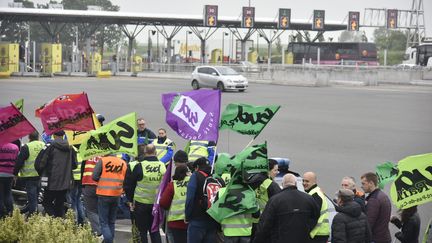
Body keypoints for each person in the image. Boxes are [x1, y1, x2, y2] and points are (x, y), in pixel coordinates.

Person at [253, 174, 320, 243]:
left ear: (282, 184)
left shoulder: (275, 200)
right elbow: (316, 216)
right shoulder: (308, 199)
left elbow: (264, 225)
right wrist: (306, 229)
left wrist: (257, 240)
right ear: (296, 184)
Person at [124, 144, 166, 243]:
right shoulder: (162, 166)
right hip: (156, 204)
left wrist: (130, 200)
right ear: (155, 152)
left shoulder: (140, 166)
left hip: (141, 203)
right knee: (154, 230)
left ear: (145, 153)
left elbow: (130, 185)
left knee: (142, 231)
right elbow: (165, 184)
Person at [35, 130, 77, 218]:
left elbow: (39, 164)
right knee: (60, 204)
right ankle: (58, 222)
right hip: (65, 183)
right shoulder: (71, 148)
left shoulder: (49, 146)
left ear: (53, 135)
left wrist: (42, 173)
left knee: (46, 202)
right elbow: (75, 165)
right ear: (64, 135)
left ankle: (53, 218)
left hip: (50, 181)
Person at [185, 157, 223, 243]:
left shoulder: (196, 176)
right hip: (212, 220)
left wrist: (187, 216)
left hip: (197, 220)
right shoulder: (216, 178)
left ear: (197, 167)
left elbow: (190, 198)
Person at [92, 154, 127, 243]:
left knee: (104, 222)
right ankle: (110, 240)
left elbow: (94, 176)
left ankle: (109, 241)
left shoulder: (103, 161)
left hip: (103, 193)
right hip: (116, 194)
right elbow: (126, 178)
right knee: (111, 222)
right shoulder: (123, 162)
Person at [13, 131, 45, 215]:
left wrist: (15, 174)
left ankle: (32, 217)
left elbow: (19, 162)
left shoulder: (27, 146)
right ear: (38, 137)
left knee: (32, 199)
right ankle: (33, 213)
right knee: (36, 197)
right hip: (41, 176)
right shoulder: (44, 145)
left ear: (29, 137)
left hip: (30, 177)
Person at [160, 164, 190, 243]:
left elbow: (163, 202)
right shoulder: (193, 182)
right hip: (190, 220)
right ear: (187, 173)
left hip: (175, 222)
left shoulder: (173, 185)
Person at [361, 172, 392, 243]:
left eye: (363, 183)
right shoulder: (383, 195)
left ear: (371, 183)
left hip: (376, 239)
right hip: (384, 237)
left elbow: (369, 223)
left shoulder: (374, 199)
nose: (362, 186)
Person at [303, 172, 330, 243]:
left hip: (317, 234)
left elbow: (313, 216)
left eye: (307, 181)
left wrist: (306, 232)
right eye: (303, 180)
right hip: (320, 233)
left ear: (314, 182)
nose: (304, 183)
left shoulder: (315, 195)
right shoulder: (315, 192)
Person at [81, 156, 103, 238]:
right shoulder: (105, 155)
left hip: (89, 184)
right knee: (100, 210)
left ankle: (98, 233)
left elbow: (82, 169)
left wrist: (82, 185)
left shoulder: (88, 154)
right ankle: (102, 231)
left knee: (91, 210)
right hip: (103, 185)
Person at [0, 141, 19, 218]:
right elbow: (17, 161)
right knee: (8, 194)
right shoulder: (15, 147)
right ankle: (10, 212)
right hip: (10, 174)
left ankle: (1, 214)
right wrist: (15, 174)